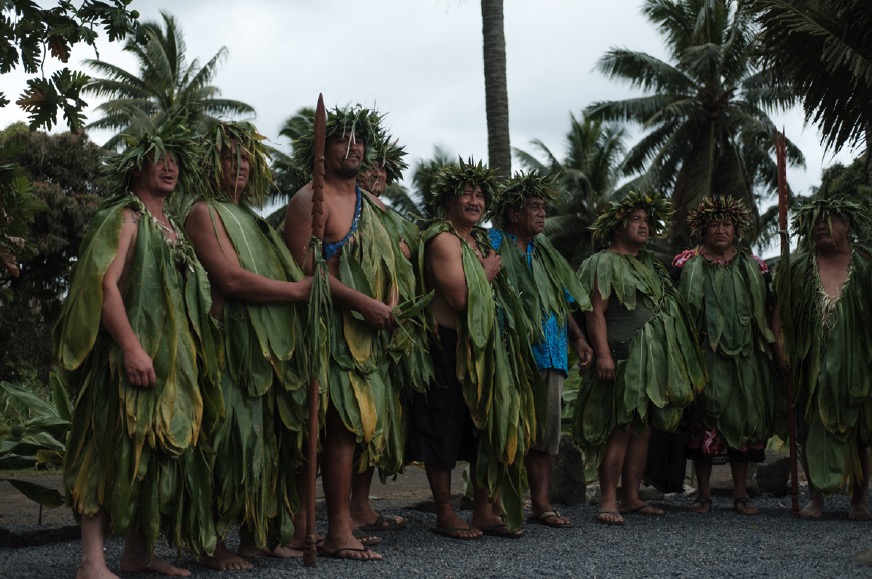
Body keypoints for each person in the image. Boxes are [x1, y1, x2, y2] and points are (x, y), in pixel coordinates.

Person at [56, 117, 221, 578]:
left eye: (175, 161)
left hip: (172, 363)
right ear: (136, 168)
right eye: (158, 159)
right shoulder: (126, 217)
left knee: (154, 455)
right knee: (105, 451)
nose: (168, 167)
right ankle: (92, 562)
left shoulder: (170, 225)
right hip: (127, 357)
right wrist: (130, 346)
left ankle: (137, 554)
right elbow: (103, 287)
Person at [283, 105, 418, 560]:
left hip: (372, 335)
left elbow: (393, 262)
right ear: (321, 149)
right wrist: (362, 303)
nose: (354, 146)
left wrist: (392, 304)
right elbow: (307, 271)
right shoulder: (309, 200)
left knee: (353, 431)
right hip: (328, 330)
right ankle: (332, 530)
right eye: (342, 138)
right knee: (333, 430)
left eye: (360, 139)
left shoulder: (372, 204)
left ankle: (336, 523)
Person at [184, 122, 314, 569]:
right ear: (209, 162)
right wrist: (298, 293)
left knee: (263, 442)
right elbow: (230, 279)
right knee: (224, 442)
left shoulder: (254, 219)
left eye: (245, 159)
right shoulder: (203, 212)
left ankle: (257, 535)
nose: (239, 165)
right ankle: (212, 543)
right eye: (228, 157)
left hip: (263, 350)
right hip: (227, 345)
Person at [407, 158, 539, 539]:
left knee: (486, 428)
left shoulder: (480, 240)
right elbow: (462, 299)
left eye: (480, 195)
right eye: (466, 193)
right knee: (443, 428)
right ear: (449, 199)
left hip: (486, 348)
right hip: (447, 346)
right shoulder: (442, 239)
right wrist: (485, 272)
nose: (474, 200)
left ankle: (483, 510)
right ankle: (445, 514)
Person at [572, 191, 706, 525]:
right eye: (636, 220)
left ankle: (632, 498)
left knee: (642, 428)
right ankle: (608, 500)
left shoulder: (650, 265)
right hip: (620, 357)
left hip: (649, 363)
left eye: (646, 220)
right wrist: (602, 354)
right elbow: (595, 314)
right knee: (618, 428)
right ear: (617, 227)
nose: (643, 226)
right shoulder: (602, 262)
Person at [488, 170, 593, 528]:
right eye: (534, 206)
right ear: (513, 213)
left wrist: (578, 338)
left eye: (543, 207)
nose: (542, 213)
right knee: (507, 429)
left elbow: (563, 301)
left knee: (545, 436)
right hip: (510, 353)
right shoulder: (491, 242)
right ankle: (497, 506)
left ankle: (541, 504)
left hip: (551, 353)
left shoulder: (546, 252)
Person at [671, 196, 783, 515]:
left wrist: (775, 350)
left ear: (736, 230)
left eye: (726, 224)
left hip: (746, 357)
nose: (720, 230)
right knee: (704, 420)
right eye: (713, 225)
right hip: (703, 356)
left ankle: (740, 495)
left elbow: (770, 309)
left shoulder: (755, 266)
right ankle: (704, 495)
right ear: (702, 231)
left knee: (744, 422)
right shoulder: (685, 264)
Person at [775, 195, 872, 520]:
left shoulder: (865, 266)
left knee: (859, 433)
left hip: (857, 363)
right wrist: (782, 349)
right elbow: (781, 313)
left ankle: (859, 500)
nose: (820, 227)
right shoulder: (800, 268)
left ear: (847, 225)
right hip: (810, 362)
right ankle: (816, 497)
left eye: (828, 221)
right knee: (809, 429)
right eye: (815, 222)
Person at [348, 132, 417, 535]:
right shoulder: (343, 207)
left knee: (376, 423)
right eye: (372, 165)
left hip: (389, 332)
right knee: (347, 421)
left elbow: (408, 251)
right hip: (352, 323)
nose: (377, 174)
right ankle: (329, 512)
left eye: (384, 169)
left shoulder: (391, 215)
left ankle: (361, 506)